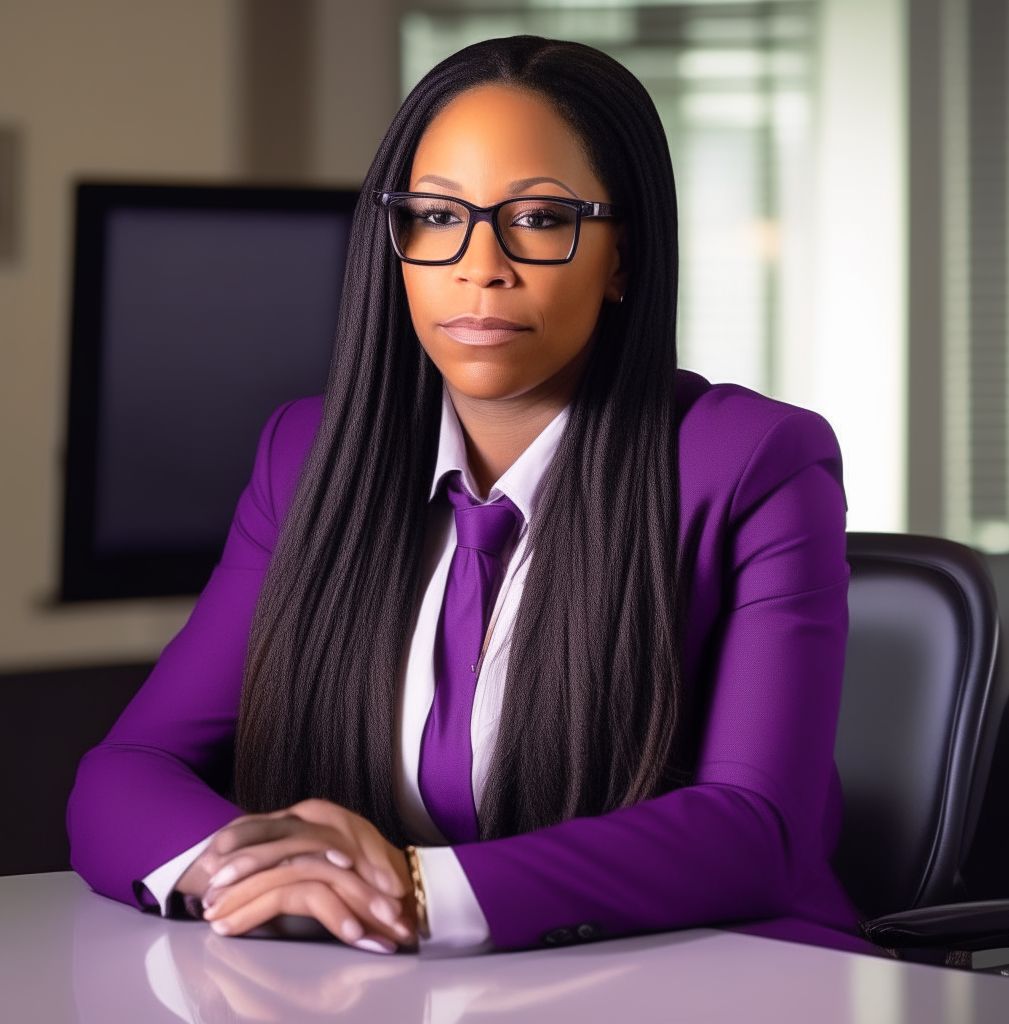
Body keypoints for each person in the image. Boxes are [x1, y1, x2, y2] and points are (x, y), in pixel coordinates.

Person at [68, 36, 871, 957]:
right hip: (402, 986)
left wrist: (414, 891)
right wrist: (235, 866)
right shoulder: (307, 457)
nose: (479, 265)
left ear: (623, 259)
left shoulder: (751, 461)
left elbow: (755, 826)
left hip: (722, 973)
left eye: (537, 218)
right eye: (437, 215)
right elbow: (125, 772)